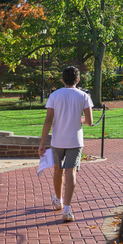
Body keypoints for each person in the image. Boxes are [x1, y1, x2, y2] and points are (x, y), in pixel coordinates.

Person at [38, 66, 94, 223]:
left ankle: (58, 200)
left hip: (57, 140)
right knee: (71, 173)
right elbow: (89, 121)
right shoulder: (84, 96)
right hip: (75, 141)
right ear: (78, 80)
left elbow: (48, 120)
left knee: (58, 170)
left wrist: (42, 143)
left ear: (62, 79)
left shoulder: (55, 95)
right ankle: (67, 210)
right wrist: (78, 118)